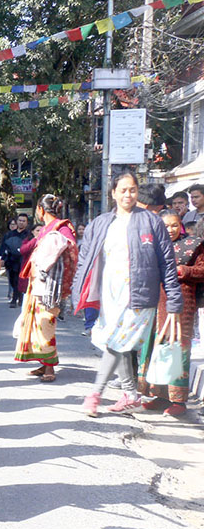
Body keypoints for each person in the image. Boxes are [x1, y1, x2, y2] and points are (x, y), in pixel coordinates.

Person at [71, 170, 182, 416]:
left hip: (140, 296)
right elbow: (85, 261)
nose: (128, 194)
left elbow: (167, 263)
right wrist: (76, 291)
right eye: (123, 190)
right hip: (110, 295)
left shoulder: (151, 222)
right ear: (113, 193)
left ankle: (95, 394)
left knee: (117, 342)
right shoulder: (100, 223)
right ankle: (130, 394)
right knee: (117, 341)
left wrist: (174, 301)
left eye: (132, 189)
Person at [142, 211, 203, 415]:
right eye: (166, 226)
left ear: (181, 226)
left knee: (178, 348)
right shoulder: (152, 245)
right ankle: (159, 396)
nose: (170, 230)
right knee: (157, 347)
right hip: (156, 302)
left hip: (182, 303)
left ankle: (179, 401)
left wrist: (184, 271)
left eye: (175, 225)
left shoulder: (193, 245)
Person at [13, 195, 77, 382]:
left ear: (40, 210)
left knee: (46, 324)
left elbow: (70, 252)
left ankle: (50, 368)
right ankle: (44, 363)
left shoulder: (61, 229)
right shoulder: (51, 229)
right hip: (38, 283)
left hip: (51, 284)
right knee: (37, 325)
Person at [3, 214, 34, 307]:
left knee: (19, 280)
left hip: (22, 261)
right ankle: (17, 296)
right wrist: (2, 258)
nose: (21, 222)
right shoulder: (10, 234)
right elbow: (4, 247)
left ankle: (16, 299)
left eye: (24, 221)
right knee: (12, 280)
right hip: (11, 261)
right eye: (20, 220)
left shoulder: (29, 235)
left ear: (27, 223)